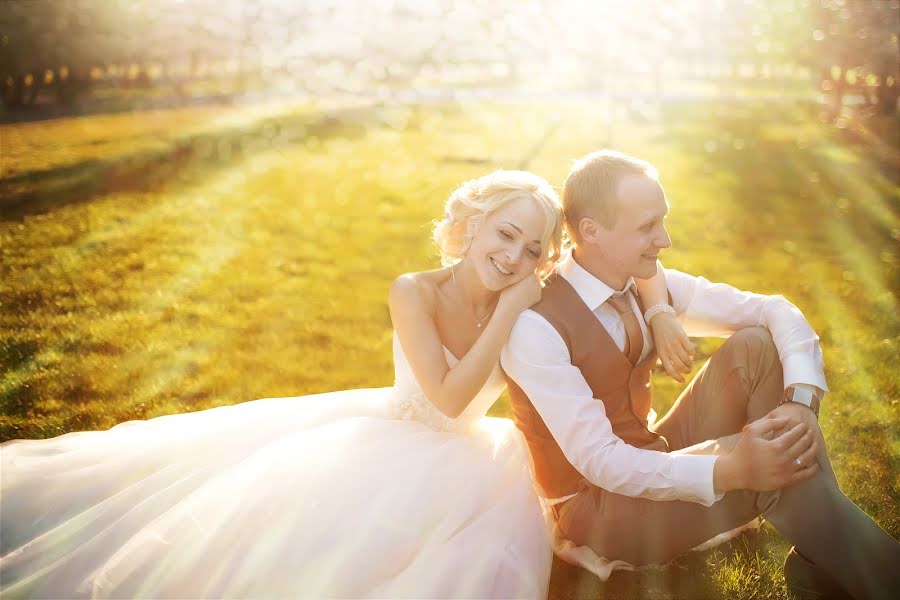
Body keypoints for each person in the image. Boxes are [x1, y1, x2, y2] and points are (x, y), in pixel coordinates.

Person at [1, 169, 668, 599]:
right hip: (395, 438)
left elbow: (623, 262)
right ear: (469, 230)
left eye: (532, 250)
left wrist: (660, 310)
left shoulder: (530, 290)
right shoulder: (415, 291)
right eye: (505, 235)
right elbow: (449, 398)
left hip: (478, 454)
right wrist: (516, 310)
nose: (515, 257)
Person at [501, 150, 900, 600]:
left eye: (663, 221)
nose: (665, 239)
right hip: (597, 509)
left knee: (758, 346)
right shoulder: (536, 326)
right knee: (774, 461)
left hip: (655, 449)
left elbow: (773, 309)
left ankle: (823, 561)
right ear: (592, 231)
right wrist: (729, 470)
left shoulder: (645, 283)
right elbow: (602, 462)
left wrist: (801, 403)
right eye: (647, 227)